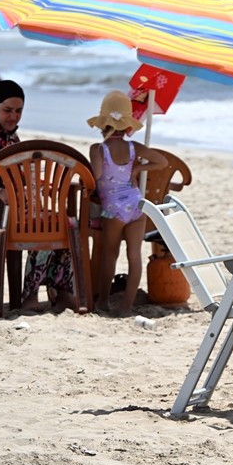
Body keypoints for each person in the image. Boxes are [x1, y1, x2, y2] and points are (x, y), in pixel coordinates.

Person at [0, 80, 79, 312]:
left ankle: (62, 290)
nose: (14, 116)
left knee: (61, 221)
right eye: (8, 110)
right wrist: (0, 192)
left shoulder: (10, 137)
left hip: (11, 212)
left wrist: (36, 186)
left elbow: (20, 176)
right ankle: (30, 295)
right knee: (43, 226)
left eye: (18, 111)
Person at [87, 91, 170, 315]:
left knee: (109, 255)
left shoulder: (98, 149)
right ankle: (126, 306)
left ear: (103, 123)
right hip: (136, 204)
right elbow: (161, 161)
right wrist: (139, 167)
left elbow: (94, 176)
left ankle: (103, 300)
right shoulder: (134, 148)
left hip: (113, 208)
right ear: (127, 125)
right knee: (134, 255)